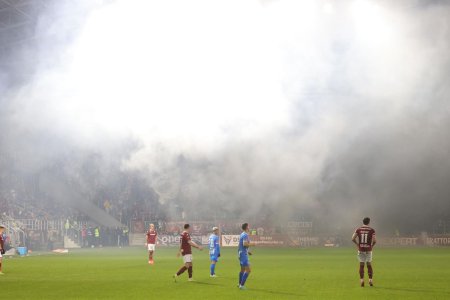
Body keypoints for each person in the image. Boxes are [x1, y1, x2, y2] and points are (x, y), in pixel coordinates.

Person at [352, 217, 376, 287]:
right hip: (368, 249)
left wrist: (357, 244)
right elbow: (374, 241)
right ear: (369, 222)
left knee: (361, 265)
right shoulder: (371, 230)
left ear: (363, 222)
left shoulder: (358, 229)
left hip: (361, 249)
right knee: (369, 265)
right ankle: (370, 280)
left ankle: (362, 280)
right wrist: (372, 246)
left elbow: (353, 238)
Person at [238, 223, 255, 290]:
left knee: (242, 270)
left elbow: (240, 245)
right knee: (248, 270)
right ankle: (242, 285)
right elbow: (244, 244)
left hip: (241, 253)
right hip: (243, 255)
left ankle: (239, 283)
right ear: (246, 228)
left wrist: (248, 251)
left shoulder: (242, 234)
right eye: (248, 227)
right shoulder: (245, 235)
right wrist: (252, 244)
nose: (249, 228)